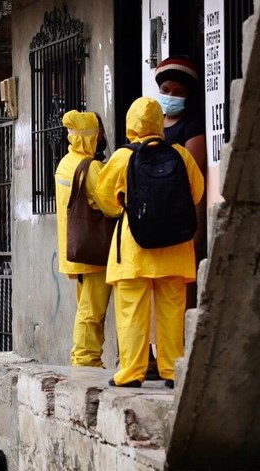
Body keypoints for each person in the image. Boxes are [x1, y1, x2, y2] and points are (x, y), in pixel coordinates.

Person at [95, 97, 204, 389]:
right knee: (171, 311)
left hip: (135, 248)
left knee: (132, 311)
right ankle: (171, 370)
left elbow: (105, 200)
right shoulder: (180, 155)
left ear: (131, 124)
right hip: (175, 249)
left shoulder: (122, 157)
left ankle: (131, 372)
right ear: (159, 123)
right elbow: (196, 193)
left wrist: (125, 208)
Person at [150, 57, 207, 379]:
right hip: (154, 218)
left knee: (179, 288)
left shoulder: (193, 125)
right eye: (165, 89)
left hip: (183, 215)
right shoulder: (154, 122)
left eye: (176, 90)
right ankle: (157, 355)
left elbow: (192, 172)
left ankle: (176, 355)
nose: (169, 95)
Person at [54, 110, 113, 367]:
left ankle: (84, 356)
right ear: (92, 136)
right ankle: (85, 359)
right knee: (92, 310)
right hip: (94, 251)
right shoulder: (91, 168)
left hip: (75, 247)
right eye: (98, 133)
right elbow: (112, 205)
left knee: (85, 307)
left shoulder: (65, 163)